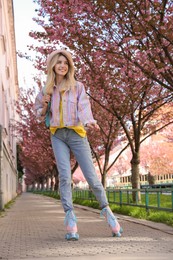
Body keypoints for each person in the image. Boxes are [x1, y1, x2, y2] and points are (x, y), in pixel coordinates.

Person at [34, 49, 123, 241]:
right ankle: (70, 220)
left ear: (70, 66)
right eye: (58, 62)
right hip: (57, 135)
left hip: (76, 134)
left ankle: (107, 212)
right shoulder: (46, 90)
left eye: (65, 62)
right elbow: (38, 114)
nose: (62, 65)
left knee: (92, 178)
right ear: (52, 66)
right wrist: (44, 105)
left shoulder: (77, 87)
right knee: (64, 176)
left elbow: (83, 107)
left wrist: (89, 121)